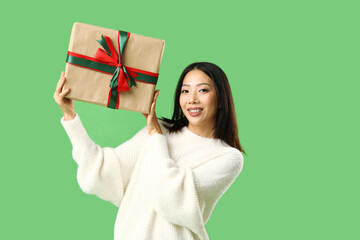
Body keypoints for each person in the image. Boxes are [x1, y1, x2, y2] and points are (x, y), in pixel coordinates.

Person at [54, 62, 246, 240]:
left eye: (203, 90)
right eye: (185, 91)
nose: (192, 99)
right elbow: (102, 172)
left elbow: (170, 198)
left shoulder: (228, 157)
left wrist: (155, 135)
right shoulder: (158, 131)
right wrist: (70, 116)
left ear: (221, 99)